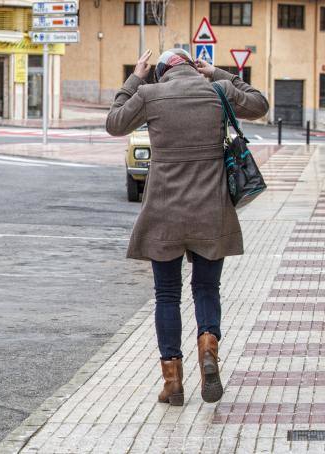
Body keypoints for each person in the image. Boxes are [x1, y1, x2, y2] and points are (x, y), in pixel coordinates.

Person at [106, 49, 269, 406]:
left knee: (167, 295)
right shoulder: (217, 91)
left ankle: (173, 383)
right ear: (193, 67)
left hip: (164, 214)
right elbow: (260, 104)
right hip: (211, 211)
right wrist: (218, 72)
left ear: (161, 72)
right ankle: (208, 348)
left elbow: (114, 123)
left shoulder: (149, 94)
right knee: (207, 288)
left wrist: (135, 77)